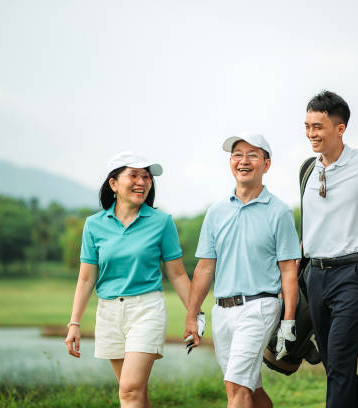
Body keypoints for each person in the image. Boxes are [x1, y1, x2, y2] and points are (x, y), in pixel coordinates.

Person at [64, 151, 193, 408]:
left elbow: (177, 273)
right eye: (133, 175)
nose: (142, 182)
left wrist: (193, 315)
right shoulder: (94, 225)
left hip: (146, 309)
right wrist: (74, 323)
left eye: (146, 177)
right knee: (136, 393)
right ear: (113, 183)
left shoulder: (162, 221)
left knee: (129, 390)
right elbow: (86, 279)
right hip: (109, 312)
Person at [184, 132, 300, 408]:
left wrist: (289, 321)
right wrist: (192, 314)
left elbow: (288, 270)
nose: (243, 161)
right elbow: (204, 266)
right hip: (222, 311)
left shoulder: (279, 212)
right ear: (230, 162)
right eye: (237, 154)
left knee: (236, 387)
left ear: (266, 164)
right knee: (250, 389)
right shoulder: (216, 211)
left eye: (252, 155)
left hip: (259, 307)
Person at [301, 91, 358, 408]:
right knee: (336, 366)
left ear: (340, 128)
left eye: (318, 126)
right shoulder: (307, 170)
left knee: (340, 366)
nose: (311, 133)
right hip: (316, 277)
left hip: (355, 273)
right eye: (307, 126)